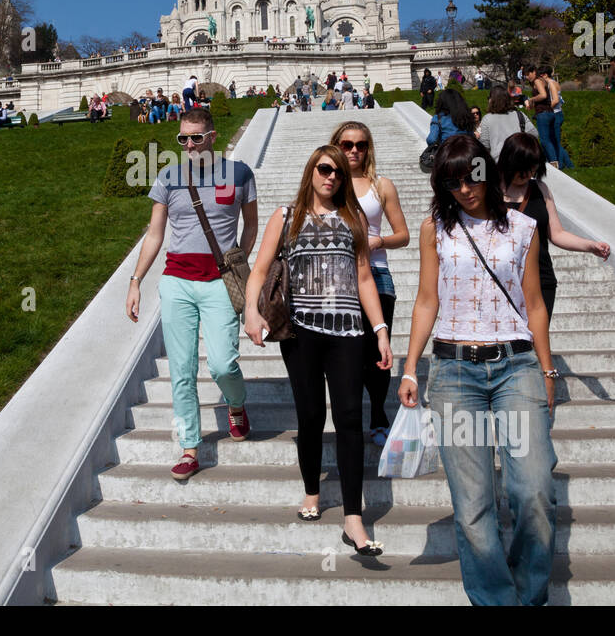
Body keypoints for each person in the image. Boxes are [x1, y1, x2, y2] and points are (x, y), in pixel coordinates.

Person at [396, 134, 559, 604]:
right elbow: (427, 301)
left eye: (473, 176)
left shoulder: (523, 228)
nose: (465, 188)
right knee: (472, 507)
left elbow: (534, 305)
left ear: (489, 170)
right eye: (452, 181)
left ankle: (529, 596)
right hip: (454, 372)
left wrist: (547, 372)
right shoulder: (435, 229)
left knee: (533, 493)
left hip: (516, 367)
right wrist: (410, 369)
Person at [243, 145, 392, 555]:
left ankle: (353, 518)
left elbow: (364, 278)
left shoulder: (354, 218)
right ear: (311, 171)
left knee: (348, 417)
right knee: (310, 416)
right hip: (300, 332)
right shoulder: (285, 217)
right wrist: (251, 314)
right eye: (325, 169)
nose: (332, 177)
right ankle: (312, 489)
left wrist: (379, 330)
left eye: (339, 173)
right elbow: (259, 270)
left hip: (347, 331)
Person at [127, 108, 258, 482]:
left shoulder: (240, 174)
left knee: (221, 364)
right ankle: (189, 447)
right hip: (177, 282)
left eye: (196, 137)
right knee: (182, 370)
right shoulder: (168, 177)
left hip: (219, 281)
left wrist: (241, 265)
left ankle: (236, 404)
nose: (188, 144)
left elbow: (251, 226)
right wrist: (136, 280)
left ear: (213, 137)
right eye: (182, 139)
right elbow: (154, 234)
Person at [333, 121, 411, 447]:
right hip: (336, 279)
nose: (354, 151)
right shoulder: (326, 181)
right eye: (347, 144)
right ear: (336, 146)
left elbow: (403, 235)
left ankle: (378, 414)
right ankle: (349, 419)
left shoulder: (382, 186)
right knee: (346, 356)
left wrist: (378, 242)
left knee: (377, 353)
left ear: (369, 148)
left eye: (361, 145)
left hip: (376, 274)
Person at [499, 133, 610, 321]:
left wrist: (590, 246)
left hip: (541, 279)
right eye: (521, 168)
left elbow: (557, 233)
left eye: (531, 169)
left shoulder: (540, 190)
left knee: (534, 344)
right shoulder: (488, 193)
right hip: (502, 279)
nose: (526, 174)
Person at [525, 66, 573, 169]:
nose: (527, 77)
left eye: (528, 74)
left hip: (545, 113)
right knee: (552, 141)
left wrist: (531, 99)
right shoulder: (543, 81)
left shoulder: (538, 81)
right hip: (550, 113)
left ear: (534, 72)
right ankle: (561, 165)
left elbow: (543, 95)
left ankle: (554, 165)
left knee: (545, 141)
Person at [478, 85, 539, 160]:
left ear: (491, 100)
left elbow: (484, 145)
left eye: (489, 98)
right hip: (521, 158)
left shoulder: (487, 119)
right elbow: (534, 134)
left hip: (499, 162)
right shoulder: (519, 114)